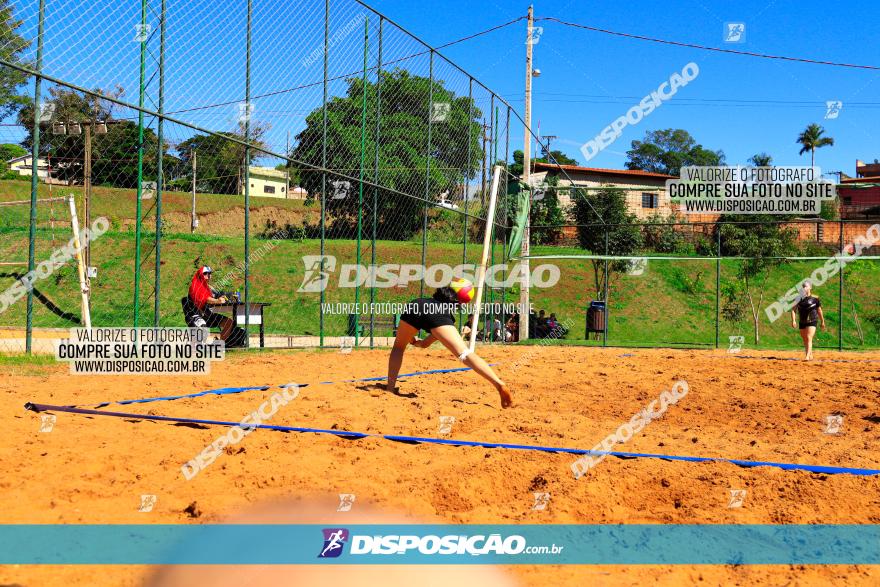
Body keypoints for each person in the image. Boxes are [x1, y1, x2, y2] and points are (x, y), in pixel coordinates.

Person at [387, 278, 512, 408]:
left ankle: (390, 388)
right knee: (465, 354)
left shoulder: (420, 302)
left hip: (416, 306)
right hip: (439, 316)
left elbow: (423, 344)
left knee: (398, 348)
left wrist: (413, 341)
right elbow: (426, 343)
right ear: (456, 304)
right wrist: (418, 342)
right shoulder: (445, 315)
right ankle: (498, 384)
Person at [188, 266, 236, 342]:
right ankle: (195, 349)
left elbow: (213, 296)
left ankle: (220, 345)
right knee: (202, 325)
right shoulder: (195, 286)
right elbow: (206, 299)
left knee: (229, 322)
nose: (208, 275)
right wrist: (217, 301)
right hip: (195, 315)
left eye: (210, 273)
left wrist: (223, 297)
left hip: (208, 315)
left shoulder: (207, 287)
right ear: (200, 274)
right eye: (205, 273)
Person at [791, 280, 826, 360]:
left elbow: (819, 310)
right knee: (805, 338)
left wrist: (822, 321)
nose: (804, 288)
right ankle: (810, 355)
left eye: (806, 286)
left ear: (810, 287)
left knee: (809, 337)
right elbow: (793, 310)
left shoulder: (815, 298)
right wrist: (793, 320)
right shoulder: (798, 298)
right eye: (803, 287)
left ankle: (807, 356)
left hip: (812, 320)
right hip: (802, 321)